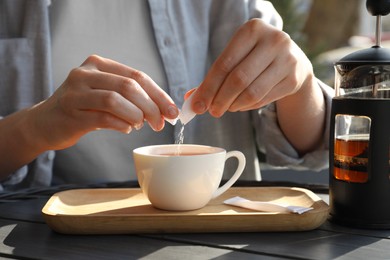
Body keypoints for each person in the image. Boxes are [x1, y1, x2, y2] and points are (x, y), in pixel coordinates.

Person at [0, 0, 333, 191]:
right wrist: (33, 128)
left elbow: (316, 146)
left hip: (218, 242)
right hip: (49, 239)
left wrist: (299, 86)